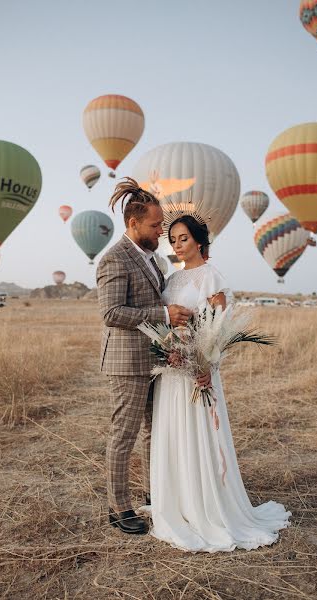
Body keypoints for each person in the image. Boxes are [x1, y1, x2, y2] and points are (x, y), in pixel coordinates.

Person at [148, 214, 292, 552]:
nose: (176, 245)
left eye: (183, 238)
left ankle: (207, 505)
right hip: (172, 372)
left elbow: (217, 332)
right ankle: (179, 501)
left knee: (197, 434)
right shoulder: (171, 278)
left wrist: (206, 366)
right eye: (173, 239)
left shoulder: (212, 278)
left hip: (197, 371)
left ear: (199, 240)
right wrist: (168, 349)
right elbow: (166, 322)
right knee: (174, 432)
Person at [96, 178, 195, 535]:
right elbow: (111, 313)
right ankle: (118, 507)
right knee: (124, 434)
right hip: (126, 363)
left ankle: (156, 494)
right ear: (133, 223)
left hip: (155, 359)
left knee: (156, 432)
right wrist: (164, 315)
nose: (160, 231)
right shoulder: (114, 259)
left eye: (161, 225)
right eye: (155, 225)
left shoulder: (153, 260)